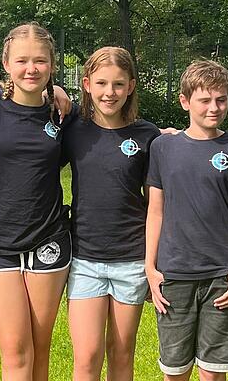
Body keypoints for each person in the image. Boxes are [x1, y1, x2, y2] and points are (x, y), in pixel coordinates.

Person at [0, 22, 75, 381]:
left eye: (40, 61)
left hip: (49, 239)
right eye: (22, 60)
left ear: (52, 65)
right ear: (6, 63)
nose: (31, 69)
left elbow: (113, 130)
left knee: (40, 349)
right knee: (15, 352)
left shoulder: (63, 113)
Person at [145, 60, 228, 381]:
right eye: (205, 100)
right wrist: (150, 269)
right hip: (174, 276)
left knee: (213, 373)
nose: (214, 108)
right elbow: (155, 210)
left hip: (223, 279)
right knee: (175, 371)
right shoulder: (163, 147)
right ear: (185, 101)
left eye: (221, 99)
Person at [61, 46, 160, 380]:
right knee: (87, 357)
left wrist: (153, 262)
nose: (110, 92)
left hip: (131, 259)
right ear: (87, 84)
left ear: (130, 86)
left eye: (118, 84)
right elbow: (32, 165)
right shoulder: (72, 129)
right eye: (102, 83)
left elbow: (159, 202)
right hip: (85, 258)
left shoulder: (148, 136)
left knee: (121, 353)